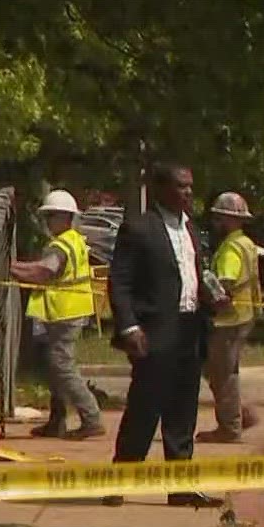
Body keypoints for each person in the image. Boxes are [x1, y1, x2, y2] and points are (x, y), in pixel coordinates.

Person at [105, 162, 221, 508]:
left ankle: (180, 485)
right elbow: (120, 282)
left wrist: (211, 295)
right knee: (145, 408)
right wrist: (129, 326)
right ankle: (119, 479)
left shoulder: (192, 230)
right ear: (160, 190)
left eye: (190, 187)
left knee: (183, 411)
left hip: (190, 330)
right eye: (180, 186)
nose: (187, 193)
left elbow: (193, 274)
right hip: (154, 332)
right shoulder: (139, 228)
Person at [10, 188, 104, 440]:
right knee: (55, 367)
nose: (48, 222)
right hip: (69, 311)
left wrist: (11, 269)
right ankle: (57, 421)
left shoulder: (60, 245)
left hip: (64, 312)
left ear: (65, 218)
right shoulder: (74, 240)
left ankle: (91, 418)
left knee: (62, 367)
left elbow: (43, 272)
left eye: (52, 216)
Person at [197, 192, 261, 443]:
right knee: (223, 370)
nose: (215, 223)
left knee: (222, 374)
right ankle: (239, 414)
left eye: (219, 218)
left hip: (228, 319)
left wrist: (206, 293)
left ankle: (230, 426)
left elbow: (224, 284)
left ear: (228, 220)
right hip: (243, 316)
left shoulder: (231, 249)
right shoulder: (246, 242)